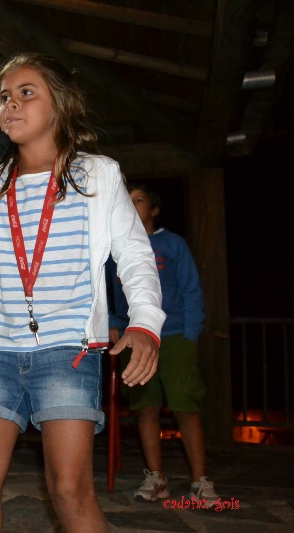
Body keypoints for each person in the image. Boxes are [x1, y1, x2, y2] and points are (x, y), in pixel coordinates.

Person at [0, 52, 166, 533]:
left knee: (69, 489)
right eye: (4, 97)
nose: (10, 104)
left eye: (26, 93)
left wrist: (144, 322)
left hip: (66, 352)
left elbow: (135, 255)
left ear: (60, 104)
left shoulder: (97, 174)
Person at [107, 182, 218, 507]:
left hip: (174, 335)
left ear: (154, 210)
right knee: (145, 408)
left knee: (186, 407)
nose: (132, 204)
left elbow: (191, 289)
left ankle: (200, 482)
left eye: (139, 200)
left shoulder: (172, 243)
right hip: (134, 338)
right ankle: (156, 478)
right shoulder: (116, 247)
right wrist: (114, 322)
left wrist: (190, 334)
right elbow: (111, 291)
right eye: (128, 200)